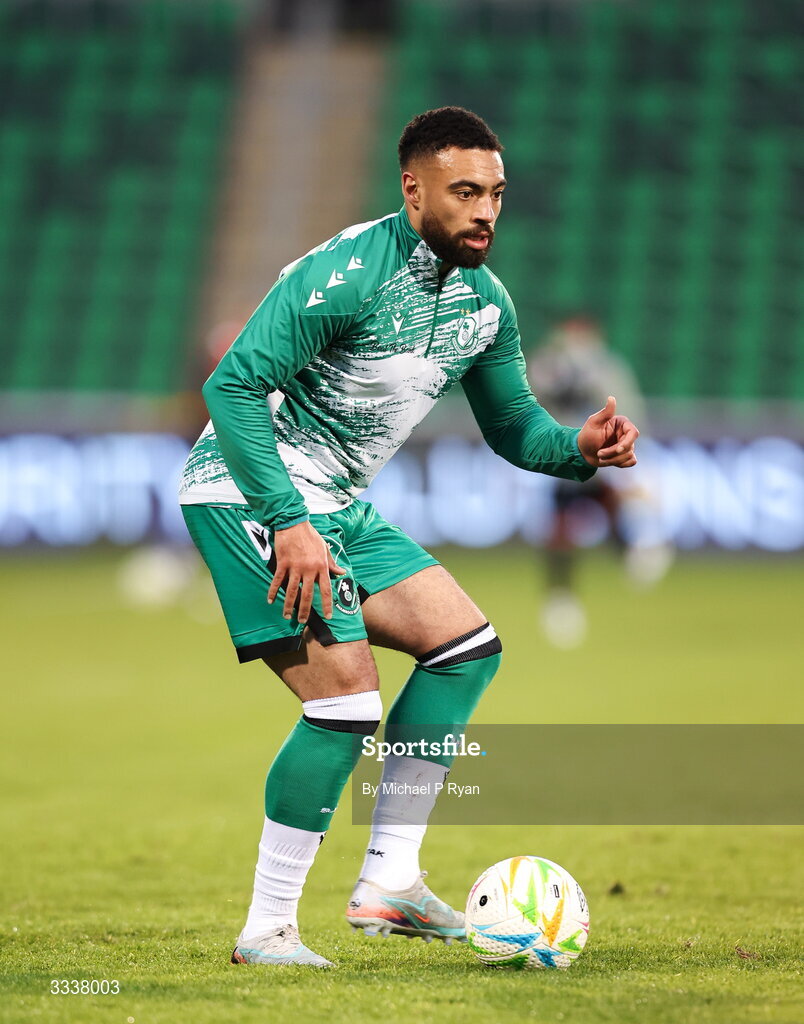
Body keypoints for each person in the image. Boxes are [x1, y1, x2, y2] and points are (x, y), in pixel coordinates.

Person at [178, 107, 639, 968]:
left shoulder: (484, 305)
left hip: (338, 506)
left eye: (497, 194)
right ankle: (267, 930)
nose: (485, 212)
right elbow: (233, 384)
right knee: (344, 705)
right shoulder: (348, 272)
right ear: (413, 187)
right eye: (465, 191)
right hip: (247, 493)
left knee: (466, 645)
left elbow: (515, 430)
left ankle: (390, 881)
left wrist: (579, 450)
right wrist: (288, 521)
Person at [527, 314, 670, 647]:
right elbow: (534, 400)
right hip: (563, 454)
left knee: (611, 504)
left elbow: (625, 408)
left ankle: (633, 551)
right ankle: (561, 599)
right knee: (560, 527)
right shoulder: (548, 364)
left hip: (600, 459)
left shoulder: (607, 368)